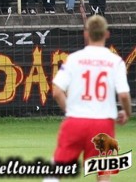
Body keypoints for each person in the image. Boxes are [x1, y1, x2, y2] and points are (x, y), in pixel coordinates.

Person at [50, 16, 130, 180]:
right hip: (103, 123)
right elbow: (123, 94)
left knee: (57, 169)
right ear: (106, 34)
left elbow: (57, 91)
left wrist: (70, 110)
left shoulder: (74, 58)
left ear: (86, 34)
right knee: (103, 173)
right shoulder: (115, 61)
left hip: (76, 121)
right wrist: (127, 113)